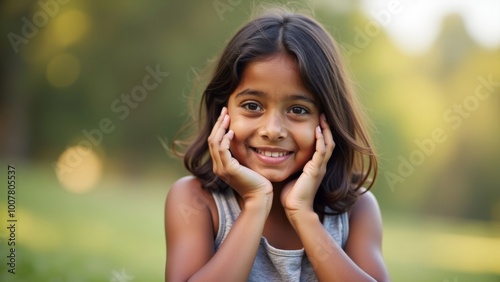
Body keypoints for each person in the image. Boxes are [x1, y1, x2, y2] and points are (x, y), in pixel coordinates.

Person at [165, 7, 390, 282]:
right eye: (252, 106)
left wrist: (302, 215)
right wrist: (255, 203)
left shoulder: (357, 209)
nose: (272, 130)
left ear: (329, 119)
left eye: (297, 110)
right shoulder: (195, 201)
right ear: (223, 112)